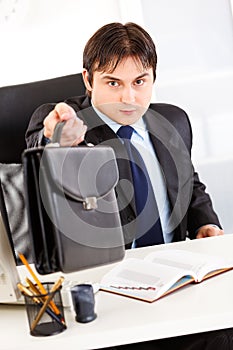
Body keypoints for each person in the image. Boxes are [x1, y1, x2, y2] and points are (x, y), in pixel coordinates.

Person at [25, 22, 232, 349]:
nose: (129, 97)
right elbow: (41, 147)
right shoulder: (70, 124)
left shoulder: (172, 122)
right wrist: (57, 139)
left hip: (176, 285)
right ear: (88, 80)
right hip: (108, 296)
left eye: (140, 81)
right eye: (113, 82)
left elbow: (191, 185)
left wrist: (205, 223)